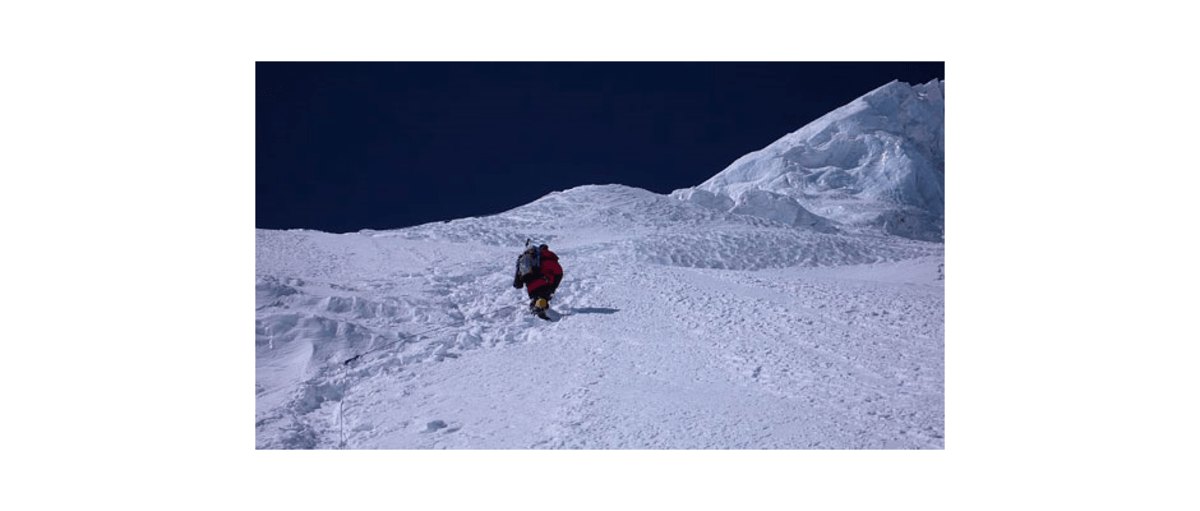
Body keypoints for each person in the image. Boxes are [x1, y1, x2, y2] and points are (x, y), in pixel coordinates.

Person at [512, 244, 563, 318]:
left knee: (537, 298)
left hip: (531, 287)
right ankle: (540, 311)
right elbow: (559, 272)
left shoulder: (526, 260)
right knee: (542, 299)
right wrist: (553, 287)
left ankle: (537, 309)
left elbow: (518, 283)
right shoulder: (548, 258)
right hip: (546, 284)